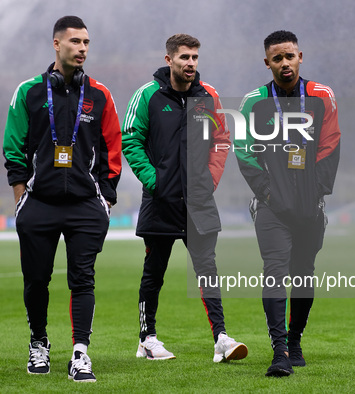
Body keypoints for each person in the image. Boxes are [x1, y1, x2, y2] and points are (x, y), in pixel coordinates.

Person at [2, 16, 121, 382]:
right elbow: (13, 146)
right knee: (36, 281)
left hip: (86, 205)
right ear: (56, 44)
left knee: (83, 280)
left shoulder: (99, 94)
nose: (82, 48)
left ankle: (80, 354)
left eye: (86, 42)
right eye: (74, 42)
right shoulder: (29, 92)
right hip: (39, 203)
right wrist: (21, 196)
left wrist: (106, 199)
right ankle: (39, 343)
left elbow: (112, 149)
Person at [122, 33, 247, 362]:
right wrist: (154, 181)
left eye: (194, 58)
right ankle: (147, 339)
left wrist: (211, 178)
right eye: (184, 58)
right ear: (169, 60)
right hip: (160, 201)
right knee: (154, 271)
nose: (191, 63)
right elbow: (130, 140)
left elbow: (222, 137)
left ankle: (221, 337)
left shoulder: (209, 96)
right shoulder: (147, 96)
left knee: (207, 269)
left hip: (199, 201)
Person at [235, 30, 340, 377]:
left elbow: (330, 144)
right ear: (267, 63)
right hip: (271, 208)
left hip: (310, 205)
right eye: (277, 58)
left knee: (304, 275)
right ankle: (279, 351)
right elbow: (244, 151)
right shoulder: (254, 102)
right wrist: (266, 193)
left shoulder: (322, 96)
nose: (284, 63)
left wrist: (318, 190)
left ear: (300, 57)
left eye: (289, 56)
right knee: (275, 272)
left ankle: (295, 340)